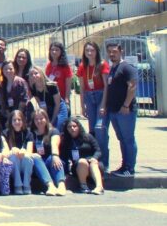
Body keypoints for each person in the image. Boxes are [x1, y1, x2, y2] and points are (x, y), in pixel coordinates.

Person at [99, 41, 138, 177]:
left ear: (121, 51)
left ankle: (130, 168)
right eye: (109, 51)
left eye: (114, 51)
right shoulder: (112, 69)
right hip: (114, 111)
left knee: (128, 139)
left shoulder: (127, 68)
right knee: (122, 139)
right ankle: (124, 166)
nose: (111, 54)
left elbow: (132, 86)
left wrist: (126, 105)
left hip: (125, 111)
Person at [27, 108, 66, 197]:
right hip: (37, 162)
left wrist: (55, 155)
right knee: (35, 157)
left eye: (41, 118)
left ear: (46, 119)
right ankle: (50, 186)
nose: (39, 121)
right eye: (36, 119)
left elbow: (54, 145)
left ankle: (61, 185)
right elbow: (29, 150)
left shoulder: (53, 131)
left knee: (54, 158)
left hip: (49, 160)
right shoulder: (31, 133)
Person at [59, 117, 104, 194]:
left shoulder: (88, 137)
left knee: (94, 163)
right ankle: (83, 186)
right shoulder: (66, 141)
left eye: (74, 126)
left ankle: (99, 187)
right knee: (82, 161)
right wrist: (66, 172)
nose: (72, 128)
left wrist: (94, 158)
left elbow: (98, 150)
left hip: (93, 163)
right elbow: (64, 157)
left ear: (79, 127)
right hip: (78, 166)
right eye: (69, 127)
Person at [76, 41, 108, 135]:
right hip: (89, 97)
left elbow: (106, 86)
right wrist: (82, 106)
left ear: (97, 52)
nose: (89, 53)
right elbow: (81, 87)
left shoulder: (102, 65)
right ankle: (95, 148)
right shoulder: (82, 66)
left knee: (100, 126)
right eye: (87, 50)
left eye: (92, 50)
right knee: (92, 128)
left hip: (100, 95)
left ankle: (102, 148)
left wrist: (103, 104)